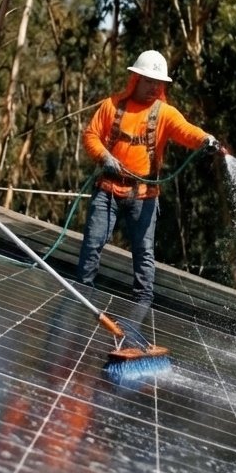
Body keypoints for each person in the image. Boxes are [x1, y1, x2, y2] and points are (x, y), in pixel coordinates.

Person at [77, 50, 221, 305]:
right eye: (148, 81)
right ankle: (82, 295)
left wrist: (205, 139)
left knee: (143, 253)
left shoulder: (164, 113)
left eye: (158, 82)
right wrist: (104, 157)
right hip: (108, 188)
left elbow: (187, 131)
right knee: (93, 242)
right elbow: (91, 135)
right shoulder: (112, 105)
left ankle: (143, 305)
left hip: (144, 195)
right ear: (135, 79)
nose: (153, 87)